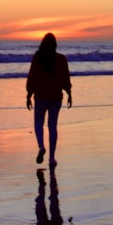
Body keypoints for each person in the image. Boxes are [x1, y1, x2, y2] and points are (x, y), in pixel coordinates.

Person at [25, 33, 72, 166]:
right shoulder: (62, 59)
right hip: (56, 98)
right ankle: (52, 158)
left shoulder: (37, 58)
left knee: (38, 124)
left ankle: (41, 146)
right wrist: (69, 93)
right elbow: (65, 79)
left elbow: (32, 77)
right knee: (52, 126)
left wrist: (28, 95)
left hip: (40, 96)